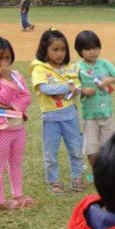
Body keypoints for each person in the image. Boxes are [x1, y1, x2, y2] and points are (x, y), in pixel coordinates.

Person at [0, 36, 34, 211]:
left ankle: (17, 194)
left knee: (16, 162)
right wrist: (6, 80)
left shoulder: (16, 75)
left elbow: (26, 97)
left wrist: (9, 106)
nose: (4, 62)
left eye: (8, 58)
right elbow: (3, 97)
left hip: (18, 126)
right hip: (0, 129)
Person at [29, 29, 84, 194]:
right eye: (55, 49)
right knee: (50, 152)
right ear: (44, 49)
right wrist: (67, 87)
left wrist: (71, 89)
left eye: (63, 49)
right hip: (51, 118)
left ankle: (77, 178)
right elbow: (45, 89)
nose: (60, 54)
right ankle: (54, 182)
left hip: (71, 116)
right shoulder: (39, 68)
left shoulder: (70, 68)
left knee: (76, 149)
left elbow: (78, 87)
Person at [74, 30, 115, 174]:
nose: (93, 52)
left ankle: (109, 173)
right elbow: (72, 87)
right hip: (89, 116)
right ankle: (97, 173)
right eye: (88, 49)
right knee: (91, 148)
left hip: (107, 114)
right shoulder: (77, 67)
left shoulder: (104, 63)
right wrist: (82, 90)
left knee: (109, 147)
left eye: (95, 48)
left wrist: (109, 80)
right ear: (80, 50)